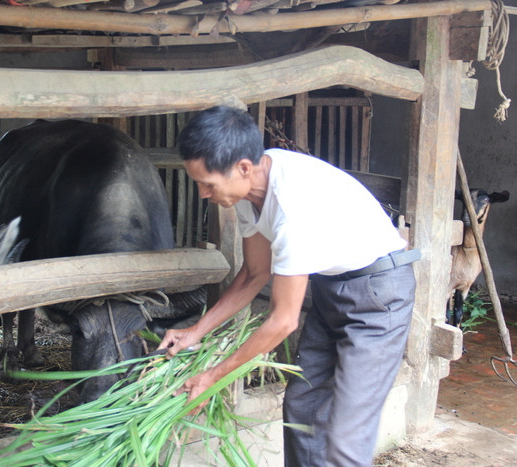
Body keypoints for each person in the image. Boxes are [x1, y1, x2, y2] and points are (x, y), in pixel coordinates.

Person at [157, 105, 419, 466]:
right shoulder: (253, 190)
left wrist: (213, 377)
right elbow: (254, 273)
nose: (203, 193)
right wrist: (196, 331)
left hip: (378, 297)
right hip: (333, 292)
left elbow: (283, 321)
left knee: (346, 435)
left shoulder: (294, 207)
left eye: (208, 184)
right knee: (303, 407)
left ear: (243, 168)